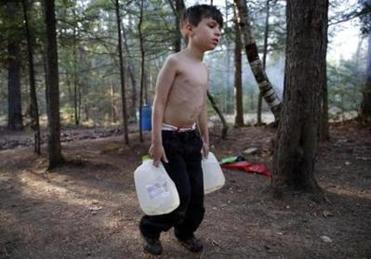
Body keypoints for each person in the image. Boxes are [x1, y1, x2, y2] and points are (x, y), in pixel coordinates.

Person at [139, 4, 223, 256]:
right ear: (189, 28)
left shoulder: (204, 68)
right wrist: (156, 142)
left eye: (220, 28)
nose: (217, 32)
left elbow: (201, 107)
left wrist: (205, 138)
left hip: (192, 139)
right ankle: (150, 229)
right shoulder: (174, 61)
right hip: (168, 138)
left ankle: (184, 233)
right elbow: (159, 103)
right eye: (211, 26)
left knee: (197, 197)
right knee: (181, 194)